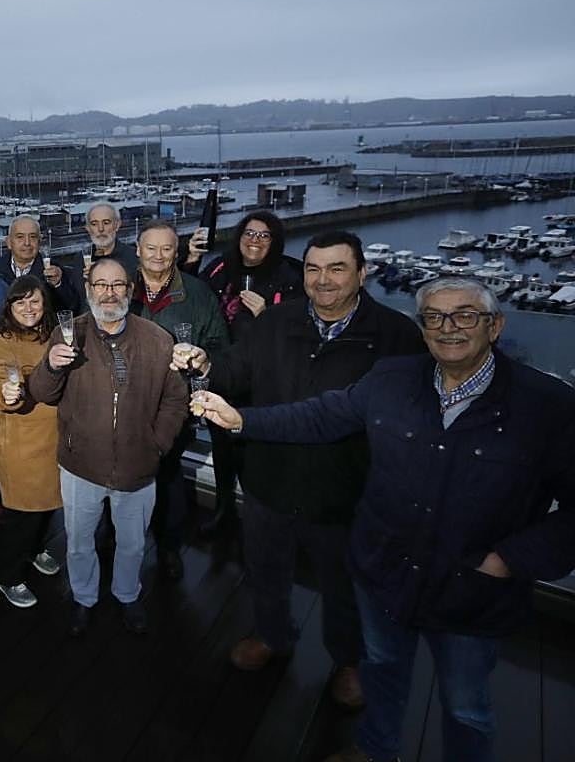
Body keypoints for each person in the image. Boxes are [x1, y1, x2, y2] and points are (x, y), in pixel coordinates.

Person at [194, 277, 575, 762]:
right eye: (434, 317)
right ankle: (375, 750)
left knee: (466, 708)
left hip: (471, 592)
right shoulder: (392, 379)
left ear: (495, 326)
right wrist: (242, 420)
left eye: (465, 315)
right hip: (385, 576)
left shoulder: (547, 406)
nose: (448, 328)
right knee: (381, 672)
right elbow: (320, 416)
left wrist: (508, 560)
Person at [174, 230, 425, 710]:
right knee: (265, 569)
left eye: (336, 268)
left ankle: (349, 659)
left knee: (344, 583)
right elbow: (235, 370)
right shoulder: (275, 321)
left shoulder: (397, 337)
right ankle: (272, 636)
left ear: (362, 274)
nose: (323, 279)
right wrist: (206, 366)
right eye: (313, 268)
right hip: (269, 477)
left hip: (344, 490)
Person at [29, 258, 187, 636]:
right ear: (88, 290)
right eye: (101, 285)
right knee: (79, 542)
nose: (109, 293)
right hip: (80, 465)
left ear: (130, 291)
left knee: (132, 544)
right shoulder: (69, 334)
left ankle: (127, 594)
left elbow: (175, 399)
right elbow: (42, 393)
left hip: (138, 467)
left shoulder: (158, 340)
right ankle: (84, 598)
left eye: (117, 285)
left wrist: (157, 444)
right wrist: (51, 366)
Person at [187, 211, 304, 536]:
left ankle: (260, 520)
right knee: (223, 450)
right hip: (221, 373)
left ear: (274, 241)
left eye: (264, 235)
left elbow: (302, 330)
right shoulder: (222, 267)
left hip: (263, 382)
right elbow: (191, 294)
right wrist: (192, 258)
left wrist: (267, 313)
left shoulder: (289, 275)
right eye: (249, 233)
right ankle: (224, 510)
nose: (255, 240)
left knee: (258, 454)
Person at [129, 220, 228, 581]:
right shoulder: (118, 288)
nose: (158, 255)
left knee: (169, 477)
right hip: (123, 404)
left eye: (166, 248)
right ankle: (111, 539)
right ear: (137, 250)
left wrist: (201, 357)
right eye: (150, 248)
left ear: (177, 251)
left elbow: (219, 344)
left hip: (174, 406)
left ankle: (169, 547)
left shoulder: (198, 294)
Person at [0, 276, 63, 608]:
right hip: (20, 447)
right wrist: (5, 393)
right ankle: (9, 576)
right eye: (20, 302)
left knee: (48, 509)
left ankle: (36, 549)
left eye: (34, 301)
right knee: (21, 517)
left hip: (56, 441)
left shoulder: (56, 337)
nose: (28, 308)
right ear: (9, 307)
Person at [0, 215, 83, 311]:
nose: (27, 243)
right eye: (20, 237)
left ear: (39, 241)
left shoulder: (55, 270)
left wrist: (58, 285)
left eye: (33, 237)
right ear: (9, 242)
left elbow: (72, 308)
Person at [85, 203, 138, 278]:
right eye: (94, 224)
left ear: (117, 225)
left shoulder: (134, 257)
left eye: (106, 223)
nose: (100, 229)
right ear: (88, 228)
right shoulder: (80, 259)